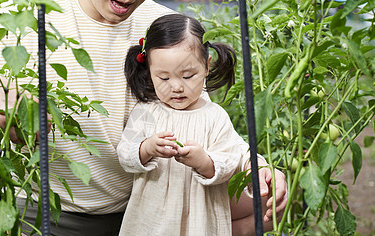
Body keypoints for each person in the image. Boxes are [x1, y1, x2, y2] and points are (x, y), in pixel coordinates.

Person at [0, 0, 286, 235]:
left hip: (142, 208)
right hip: (43, 208)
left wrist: (256, 166)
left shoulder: (164, 33)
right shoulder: (27, 15)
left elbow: (199, 121)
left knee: (270, 207)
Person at [117, 13, 285, 235]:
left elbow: (235, 155)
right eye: (164, 78)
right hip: (153, 216)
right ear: (149, 72)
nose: (176, 87)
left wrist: (205, 162)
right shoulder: (146, 111)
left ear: (206, 67)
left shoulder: (214, 116)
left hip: (200, 217)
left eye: (188, 76)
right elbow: (125, 154)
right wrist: (146, 148)